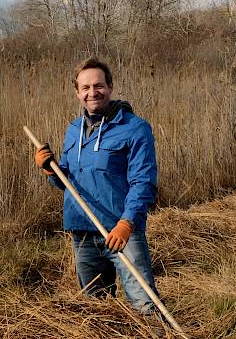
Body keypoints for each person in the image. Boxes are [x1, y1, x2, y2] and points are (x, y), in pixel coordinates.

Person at [34, 57, 160, 313]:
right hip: (82, 232)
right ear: (77, 93)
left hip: (120, 231)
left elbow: (143, 182)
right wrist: (50, 168)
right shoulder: (74, 129)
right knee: (95, 310)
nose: (93, 93)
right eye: (86, 88)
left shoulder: (135, 129)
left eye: (98, 86)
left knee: (145, 305)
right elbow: (69, 182)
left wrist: (127, 223)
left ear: (110, 87)